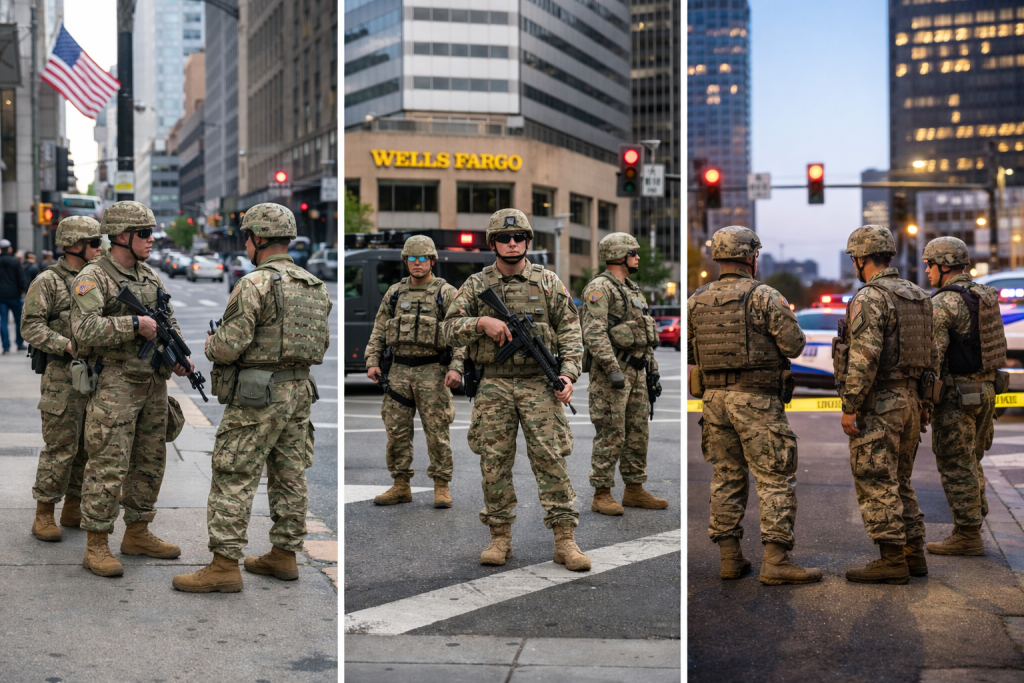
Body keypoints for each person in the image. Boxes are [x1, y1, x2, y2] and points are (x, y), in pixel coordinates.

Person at [172, 203, 332, 593]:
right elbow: (321, 344)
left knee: (234, 472)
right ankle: (285, 555)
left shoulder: (255, 283)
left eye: (247, 237)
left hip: (259, 393)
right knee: (289, 474)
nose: (245, 244)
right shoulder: (314, 285)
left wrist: (212, 344)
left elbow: (229, 346)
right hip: (299, 389)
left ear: (258, 238)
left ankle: (224, 565)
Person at [441, 208, 590, 571]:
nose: (512, 244)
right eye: (505, 239)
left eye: (519, 238)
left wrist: (568, 375)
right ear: (493, 243)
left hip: (539, 383)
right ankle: (500, 538)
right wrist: (482, 322)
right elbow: (446, 329)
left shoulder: (548, 281)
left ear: (527, 242)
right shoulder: (477, 285)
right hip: (494, 383)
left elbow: (571, 332)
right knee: (494, 463)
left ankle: (565, 540)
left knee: (550, 459)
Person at [688, 226, 821, 585]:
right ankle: (776, 561)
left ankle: (730, 559)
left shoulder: (696, 300)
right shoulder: (764, 296)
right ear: (751, 257)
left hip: (714, 401)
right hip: (757, 400)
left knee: (726, 477)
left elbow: (689, 351)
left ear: (718, 257)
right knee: (775, 478)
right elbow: (794, 345)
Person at [70, 201, 193, 578]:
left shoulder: (150, 276)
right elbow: (83, 330)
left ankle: (137, 532)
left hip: (153, 383)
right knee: (108, 464)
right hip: (116, 384)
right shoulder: (94, 277)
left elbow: (167, 321)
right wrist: (133, 326)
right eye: (145, 233)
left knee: (150, 462)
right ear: (122, 235)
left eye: (151, 233)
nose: (152, 240)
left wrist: (179, 356)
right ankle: (97, 544)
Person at [834, 225, 937, 584]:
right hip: (911, 399)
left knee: (876, 479)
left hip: (881, 402)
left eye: (853, 259)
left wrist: (851, 405)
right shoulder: (920, 296)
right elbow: (932, 354)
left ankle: (891, 561)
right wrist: (925, 403)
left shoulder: (870, 297)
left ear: (862, 258)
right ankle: (914, 555)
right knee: (901, 481)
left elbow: (865, 356)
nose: (853, 264)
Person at [364, 235, 464, 508]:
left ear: (432, 261)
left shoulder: (445, 292)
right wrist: (372, 360)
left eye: (422, 259)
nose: (417, 263)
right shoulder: (395, 292)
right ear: (405, 260)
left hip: (433, 370)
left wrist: (456, 367)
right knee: (396, 431)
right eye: (412, 258)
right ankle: (400, 485)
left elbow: (460, 333)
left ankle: (441, 486)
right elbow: (379, 329)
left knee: (437, 431)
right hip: (398, 371)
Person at [922, 236, 1006, 557]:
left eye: (930, 264)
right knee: (971, 459)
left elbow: (934, 358)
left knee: (956, 462)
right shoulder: (984, 295)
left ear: (944, 265)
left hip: (958, 395)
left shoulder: (944, 302)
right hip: (987, 390)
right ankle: (969, 524)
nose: (927, 270)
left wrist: (925, 402)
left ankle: (968, 536)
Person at [22, 217, 103, 542]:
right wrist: (66, 344)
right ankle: (44, 513)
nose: (100, 249)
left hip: (94, 377)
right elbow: (30, 326)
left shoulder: (95, 278)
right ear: (74, 245)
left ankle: (73, 506)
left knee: (87, 447)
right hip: (61, 378)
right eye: (95, 243)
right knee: (61, 447)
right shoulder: (48, 281)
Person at [581, 232, 666, 515]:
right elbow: (594, 333)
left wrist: (651, 368)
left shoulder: (632, 289)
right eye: (634, 252)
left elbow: (643, 332)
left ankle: (634, 489)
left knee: (638, 432)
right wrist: (612, 368)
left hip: (638, 371)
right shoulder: (599, 288)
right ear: (619, 255)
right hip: (612, 373)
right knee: (611, 432)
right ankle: (602, 493)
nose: (638, 257)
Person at [0, 238, 27, 354]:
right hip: (14, 295)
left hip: (1, 295)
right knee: (18, 320)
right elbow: (21, 278)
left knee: (3, 321)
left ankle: (6, 347)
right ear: (10, 249)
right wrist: (25, 290)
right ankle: (19, 344)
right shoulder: (15, 261)